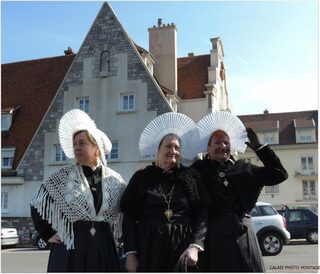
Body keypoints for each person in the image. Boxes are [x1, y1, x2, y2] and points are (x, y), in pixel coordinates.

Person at [30, 109, 126, 272]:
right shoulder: (64, 176)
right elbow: (37, 202)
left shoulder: (114, 180)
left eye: (82, 143)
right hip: (71, 247)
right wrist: (47, 234)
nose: (77, 147)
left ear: (96, 147)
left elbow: (127, 210)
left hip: (104, 245)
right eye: (75, 144)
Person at [192, 111, 288, 272]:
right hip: (211, 238)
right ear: (207, 147)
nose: (223, 146)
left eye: (226, 142)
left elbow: (279, 174)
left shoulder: (243, 169)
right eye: (217, 142)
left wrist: (260, 148)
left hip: (242, 235)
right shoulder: (198, 170)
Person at [120, 112, 209, 272]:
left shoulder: (191, 177)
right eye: (168, 146)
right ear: (157, 149)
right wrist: (131, 253)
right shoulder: (141, 178)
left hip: (183, 250)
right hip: (148, 248)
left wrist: (195, 245)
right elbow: (129, 218)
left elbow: (201, 214)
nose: (173, 151)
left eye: (177, 147)